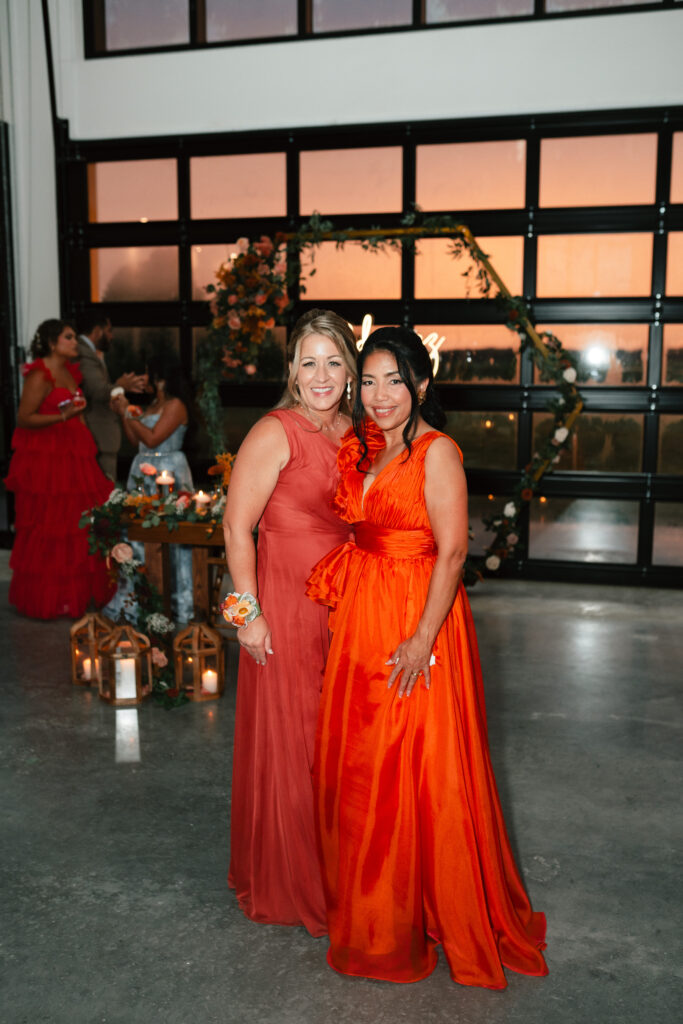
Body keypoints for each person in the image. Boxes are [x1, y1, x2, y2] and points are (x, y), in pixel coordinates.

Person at [306, 327, 548, 987]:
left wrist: (420, 639)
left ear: (420, 385)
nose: (379, 396)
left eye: (393, 381)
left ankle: (416, 911)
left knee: (414, 765)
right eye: (369, 381)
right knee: (365, 764)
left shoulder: (438, 452)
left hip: (417, 617)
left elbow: (450, 551)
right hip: (362, 614)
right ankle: (377, 908)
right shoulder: (367, 446)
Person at [222, 309, 358, 937]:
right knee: (296, 741)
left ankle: (346, 871)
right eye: (309, 362)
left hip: (349, 605)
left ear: (351, 370)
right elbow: (234, 528)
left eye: (334, 361)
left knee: (340, 743)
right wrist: (245, 618)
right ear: (293, 372)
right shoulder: (275, 431)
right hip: (284, 606)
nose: (322, 374)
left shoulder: (358, 432)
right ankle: (294, 877)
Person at [5, 319, 115, 619]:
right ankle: (51, 599)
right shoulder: (40, 375)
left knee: (77, 527)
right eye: (68, 338)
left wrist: (87, 452)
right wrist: (63, 417)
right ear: (52, 343)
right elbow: (24, 418)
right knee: (51, 528)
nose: (75, 343)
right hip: (48, 460)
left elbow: (75, 411)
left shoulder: (70, 371)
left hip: (73, 456)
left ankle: (74, 597)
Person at [107, 357, 195, 623]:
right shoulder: (154, 404)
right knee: (138, 532)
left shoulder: (176, 405)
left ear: (162, 379)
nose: (144, 382)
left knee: (171, 532)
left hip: (168, 467)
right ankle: (140, 601)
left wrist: (127, 411)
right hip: (142, 467)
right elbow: (136, 439)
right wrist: (125, 413)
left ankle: (176, 602)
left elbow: (153, 437)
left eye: (149, 376)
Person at [77, 315, 146, 482]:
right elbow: (97, 391)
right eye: (109, 331)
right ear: (97, 330)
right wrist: (121, 387)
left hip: (106, 441)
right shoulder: (85, 354)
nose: (111, 336)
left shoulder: (91, 353)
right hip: (100, 438)